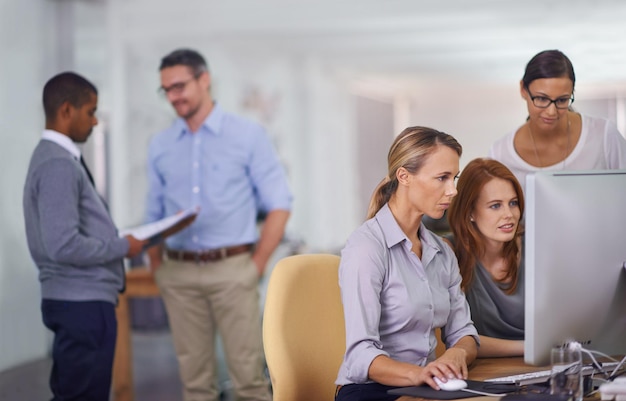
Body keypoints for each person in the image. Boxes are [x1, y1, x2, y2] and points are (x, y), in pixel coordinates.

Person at [145, 48, 292, 401]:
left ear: (204, 80)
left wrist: (256, 264)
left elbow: (279, 203)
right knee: (195, 384)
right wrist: (157, 269)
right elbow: (153, 215)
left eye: (179, 86)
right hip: (178, 274)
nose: (173, 96)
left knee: (249, 381)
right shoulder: (161, 145)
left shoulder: (247, 135)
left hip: (233, 270)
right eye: (166, 89)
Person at [22, 71, 146, 401]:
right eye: (90, 112)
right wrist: (123, 246)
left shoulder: (57, 160)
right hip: (82, 305)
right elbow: (63, 244)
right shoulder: (58, 165)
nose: (94, 122)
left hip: (80, 302)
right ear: (66, 111)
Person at [334, 126, 479, 401]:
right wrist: (419, 375)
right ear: (404, 176)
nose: (453, 190)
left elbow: (464, 332)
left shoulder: (441, 251)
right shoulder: (367, 248)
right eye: (442, 178)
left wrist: (457, 351)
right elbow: (360, 353)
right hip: (370, 390)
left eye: (454, 177)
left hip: (425, 386)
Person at [489, 49, 626, 193]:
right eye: (541, 99)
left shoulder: (602, 136)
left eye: (562, 100)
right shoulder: (500, 154)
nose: (551, 112)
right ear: (523, 89)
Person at [446, 158, 525, 358]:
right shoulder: (449, 252)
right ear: (470, 212)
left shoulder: (535, 245)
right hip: (481, 373)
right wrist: (529, 348)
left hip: (544, 366)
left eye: (513, 203)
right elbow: (455, 340)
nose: (509, 214)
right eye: (495, 206)